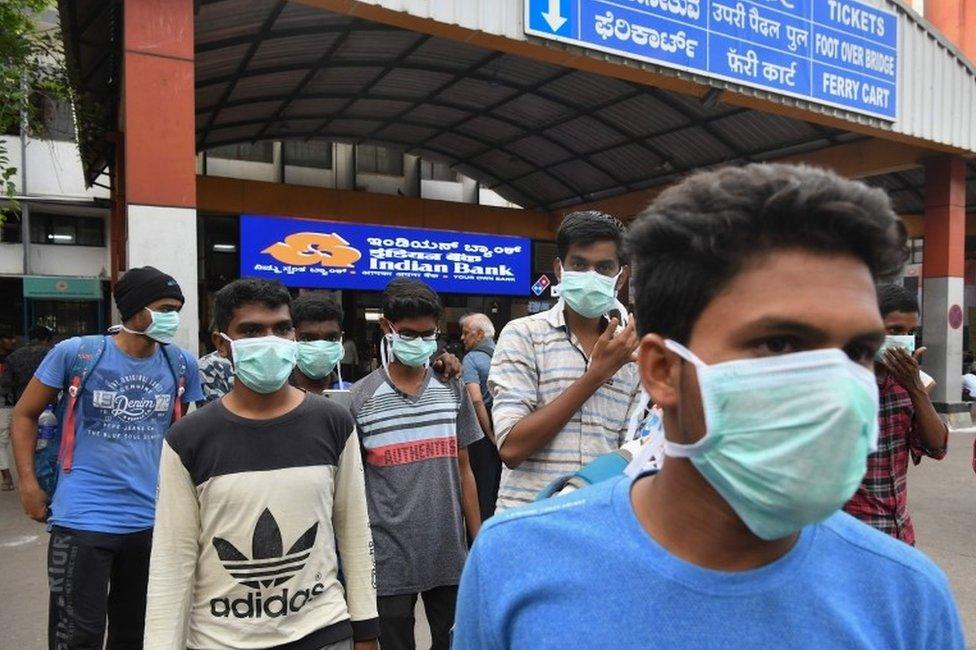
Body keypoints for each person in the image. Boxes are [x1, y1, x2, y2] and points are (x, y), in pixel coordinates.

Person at [452, 164, 964, 648]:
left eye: (856, 351)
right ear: (661, 371)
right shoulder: (514, 566)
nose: (833, 386)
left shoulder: (907, 600)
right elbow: (512, 443)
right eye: (781, 344)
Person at [144, 278, 378, 650]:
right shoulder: (188, 439)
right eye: (252, 330)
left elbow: (354, 532)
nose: (271, 341)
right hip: (221, 639)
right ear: (223, 344)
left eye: (282, 329)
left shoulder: (333, 423)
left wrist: (366, 630)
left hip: (322, 631)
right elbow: (173, 560)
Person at [10, 266, 203, 649]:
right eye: (165, 307)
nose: (173, 318)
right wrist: (28, 485)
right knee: (77, 635)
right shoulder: (78, 353)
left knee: (135, 633)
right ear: (133, 309)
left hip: (151, 521)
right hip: (82, 519)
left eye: (177, 308)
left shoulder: (181, 364)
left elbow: (186, 434)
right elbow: (24, 414)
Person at [350, 278, 481, 650]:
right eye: (408, 333)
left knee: (455, 643)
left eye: (428, 334)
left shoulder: (450, 385)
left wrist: (479, 539)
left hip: (448, 553)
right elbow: (356, 486)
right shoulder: (360, 398)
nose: (420, 342)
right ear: (386, 328)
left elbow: (464, 466)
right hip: (389, 558)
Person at [489, 210, 641, 510]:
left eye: (604, 268)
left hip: (598, 526)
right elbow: (511, 448)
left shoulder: (630, 352)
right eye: (579, 265)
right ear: (560, 269)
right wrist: (595, 376)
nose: (590, 276)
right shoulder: (524, 336)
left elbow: (630, 455)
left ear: (620, 277)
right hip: (528, 524)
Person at [843, 284, 948, 545]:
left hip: (899, 533)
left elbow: (937, 447)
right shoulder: (840, 381)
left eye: (911, 332)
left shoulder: (910, 382)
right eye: (895, 331)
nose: (904, 339)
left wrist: (916, 389)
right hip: (851, 535)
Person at [460, 312, 502, 521]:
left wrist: (490, 435)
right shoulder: (503, 353)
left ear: (478, 335)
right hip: (507, 424)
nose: (462, 338)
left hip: (482, 432)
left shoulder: (471, 359)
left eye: (466, 333)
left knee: (482, 488)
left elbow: (476, 400)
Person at [290, 293, 349, 393]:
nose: (320, 349)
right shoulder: (275, 394)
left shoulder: (353, 395)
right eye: (308, 339)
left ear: (341, 338)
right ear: (292, 337)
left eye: (331, 338)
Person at [0, 323, 19, 491]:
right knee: (2, 440)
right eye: (8, 338)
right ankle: (6, 475)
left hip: (16, 403)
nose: (12, 341)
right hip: (3, 404)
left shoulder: (14, 357)